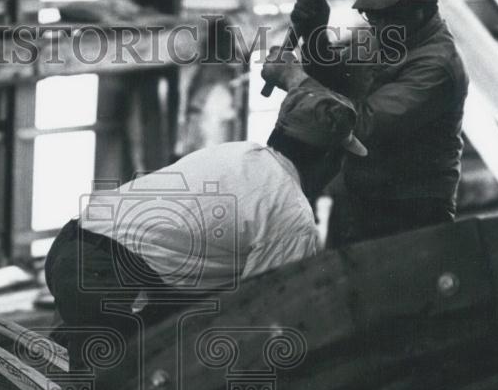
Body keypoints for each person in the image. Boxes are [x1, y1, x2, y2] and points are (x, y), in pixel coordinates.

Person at [44, 62, 365, 363]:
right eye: (340, 159)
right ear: (327, 158)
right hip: (106, 280)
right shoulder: (292, 215)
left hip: (69, 250)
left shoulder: (240, 152)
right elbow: (265, 311)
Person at [289, 0, 469, 245]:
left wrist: (291, 78)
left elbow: (360, 125)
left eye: (387, 12)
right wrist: (316, 36)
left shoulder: (437, 65)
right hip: (358, 201)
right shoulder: (383, 35)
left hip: (412, 215)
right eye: (372, 14)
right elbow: (342, 82)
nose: (378, 23)